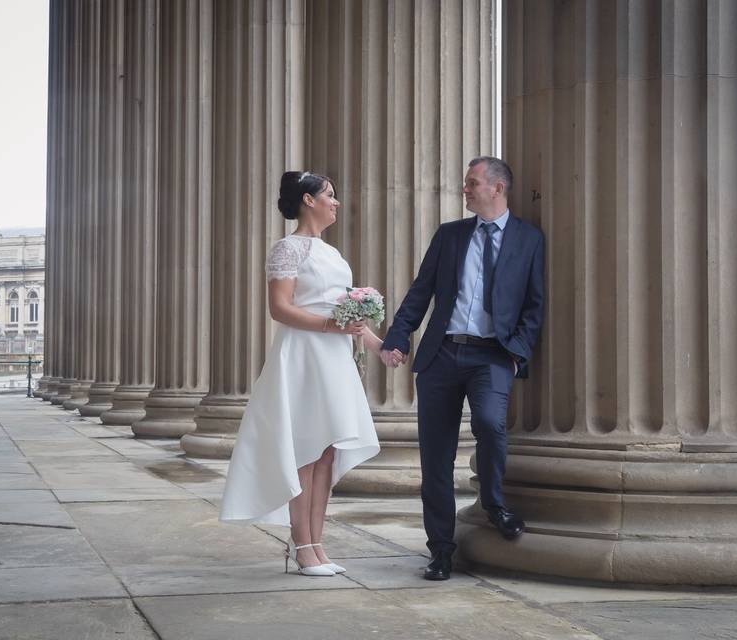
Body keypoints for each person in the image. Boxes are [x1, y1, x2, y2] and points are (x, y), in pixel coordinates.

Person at [380, 156, 545, 581]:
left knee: (491, 424)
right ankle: (440, 550)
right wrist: (399, 336)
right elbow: (421, 291)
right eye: (466, 183)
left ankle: (493, 503)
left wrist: (516, 352)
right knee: (436, 457)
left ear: (498, 188)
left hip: (493, 355)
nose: (465, 190)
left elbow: (534, 304)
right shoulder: (451, 235)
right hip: (442, 355)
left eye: (472, 183)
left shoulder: (529, 239)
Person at [220, 171, 382, 577]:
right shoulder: (287, 249)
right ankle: (302, 545)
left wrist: (376, 342)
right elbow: (281, 308)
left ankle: (317, 543)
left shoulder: (333, 254)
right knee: (306, 451)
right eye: (330, 195)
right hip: (304, 354)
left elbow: (345, 310)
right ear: (308, 200)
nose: (336, 202)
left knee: (328, 448)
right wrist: (331, 327)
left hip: (335, 357)